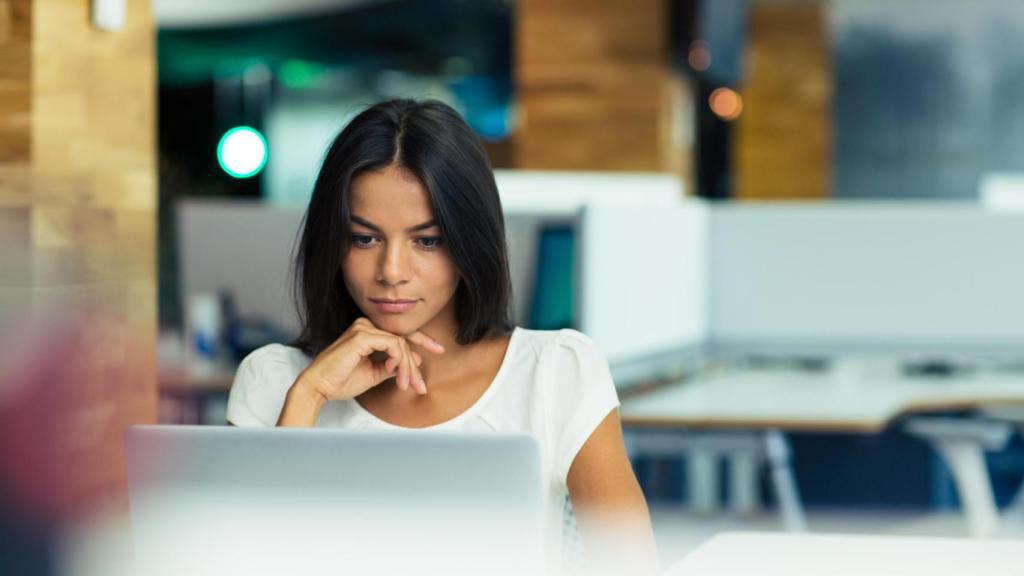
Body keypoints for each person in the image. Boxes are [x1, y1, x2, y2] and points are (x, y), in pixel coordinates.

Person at [226, 98, 658, 575]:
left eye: (426, 241)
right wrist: (309, 396)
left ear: (469, 241)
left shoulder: (556, 371)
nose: (391, 272)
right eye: (364, 238)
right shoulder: (273, 382)